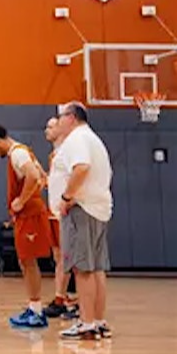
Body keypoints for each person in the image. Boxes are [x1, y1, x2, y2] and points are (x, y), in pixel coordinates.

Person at [0, 123, 53, 328]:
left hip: (30, 214)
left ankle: (37, 311)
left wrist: (22, 200)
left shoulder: (18, 153)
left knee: (29, 262)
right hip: (27, 214)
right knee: (25, 261)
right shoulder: (22, 151)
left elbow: (34, 176)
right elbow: (43, 178)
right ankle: (34, 307)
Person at [53, 102, 114, 341]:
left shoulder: (77, 139)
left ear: (71, 117)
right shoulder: (92, 139)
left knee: (83, 268)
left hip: (81, 209)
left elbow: (81, 168)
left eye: (61, 117)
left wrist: (67, 197)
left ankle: (87, 324)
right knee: (96, 268)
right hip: (97, 209)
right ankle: (98, 321)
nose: (58, 122)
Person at [43, 116, 78, 319]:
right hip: (53, 211)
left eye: (51, 126)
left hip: (64, 212)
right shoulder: (54, 155)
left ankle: (63, 299)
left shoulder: (69, 151)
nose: (46, 130)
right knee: (58, 257)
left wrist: (69, 200)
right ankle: (62, 297)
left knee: (67, 257)